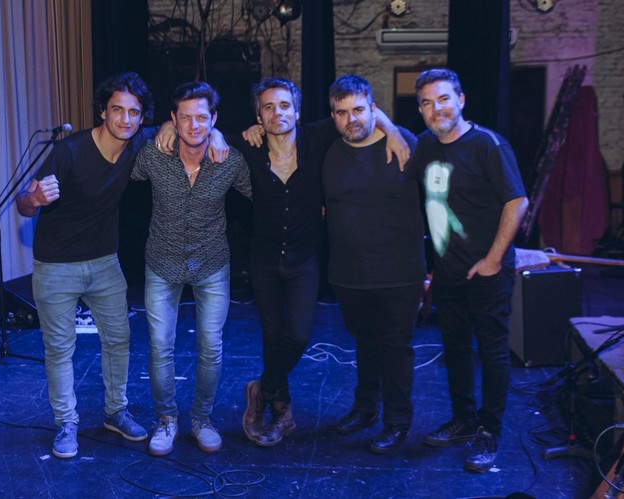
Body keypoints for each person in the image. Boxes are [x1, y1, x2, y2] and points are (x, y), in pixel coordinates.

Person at [156, 77, 410, 448]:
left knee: (300, 334)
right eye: (269, 107)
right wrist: (172, 125)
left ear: (298, 111)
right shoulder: (247, 147)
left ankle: (263, 388)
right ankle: (281, 412)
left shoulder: (317, 138)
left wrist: (394, 132)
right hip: (263, 259)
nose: (278, 113)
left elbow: (364, 113)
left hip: (305, 258)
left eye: (285, 105)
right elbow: (202, 129)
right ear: (258, 116)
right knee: (274, 336)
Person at [16, 72, 154, 459]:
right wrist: (35, 199)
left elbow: (179, 129)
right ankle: (66, 423)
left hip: (105, 261)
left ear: (141, 117)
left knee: (119, 340)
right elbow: (23, 204)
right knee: (60, 348)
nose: (125, 119)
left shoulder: (137, 142)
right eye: (117, 110)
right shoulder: (69, 151)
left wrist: (214, 136)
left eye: (133, 112)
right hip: (56, 265)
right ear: (102, 111)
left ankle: (115, 412)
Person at [412, 68, 528, 473]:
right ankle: (463, 420)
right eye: (427, 103)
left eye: (443, 98)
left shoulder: (488, 145)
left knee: (492, 353)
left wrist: (493, 259)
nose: (436, 108)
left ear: (461, 100)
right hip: (447, 271)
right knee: (456, 349)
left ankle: (488, 430)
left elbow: (517, 202)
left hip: (487, 271)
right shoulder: (425, 145)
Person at [132, 81, 251, 456]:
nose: (194, 125)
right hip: (162, 262)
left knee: (211, 347)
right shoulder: (154, 155)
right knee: (159, 346)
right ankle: (167, 419)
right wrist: (160, 129)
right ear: (173, 118)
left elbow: (262, 193)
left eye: (202, 117)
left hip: (211, 262)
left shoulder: (229, 160)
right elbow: (121, 149)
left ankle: (202, 419)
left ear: (214, 119)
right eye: (184, 117)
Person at [322, 74, 426, 455]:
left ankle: (397, 422)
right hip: (349, 273)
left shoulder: (404, 144)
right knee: (365, 343)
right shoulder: (329, 152)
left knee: (395, 348)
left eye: (359, 110)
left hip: (400, 272)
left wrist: (391, 129)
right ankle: (366, 408)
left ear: (373, 109)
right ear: (333, 116)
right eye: (342, 112)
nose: (352, 119)